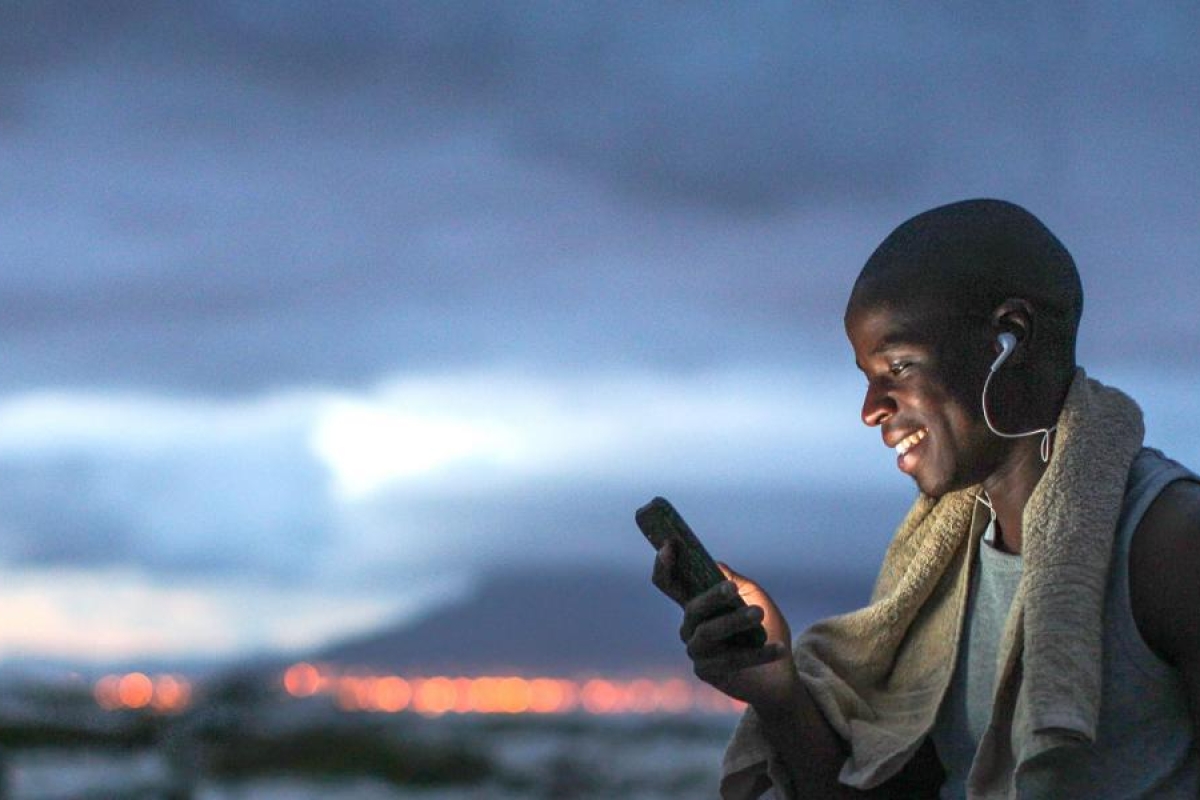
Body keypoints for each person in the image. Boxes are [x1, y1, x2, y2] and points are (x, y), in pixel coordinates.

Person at [653, 199, 1200, 798]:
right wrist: (777, 689)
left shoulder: (1169, 542)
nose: (870, 411)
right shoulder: (943, 562)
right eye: (867, 376)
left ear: (1008, 340)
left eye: (899, 366)